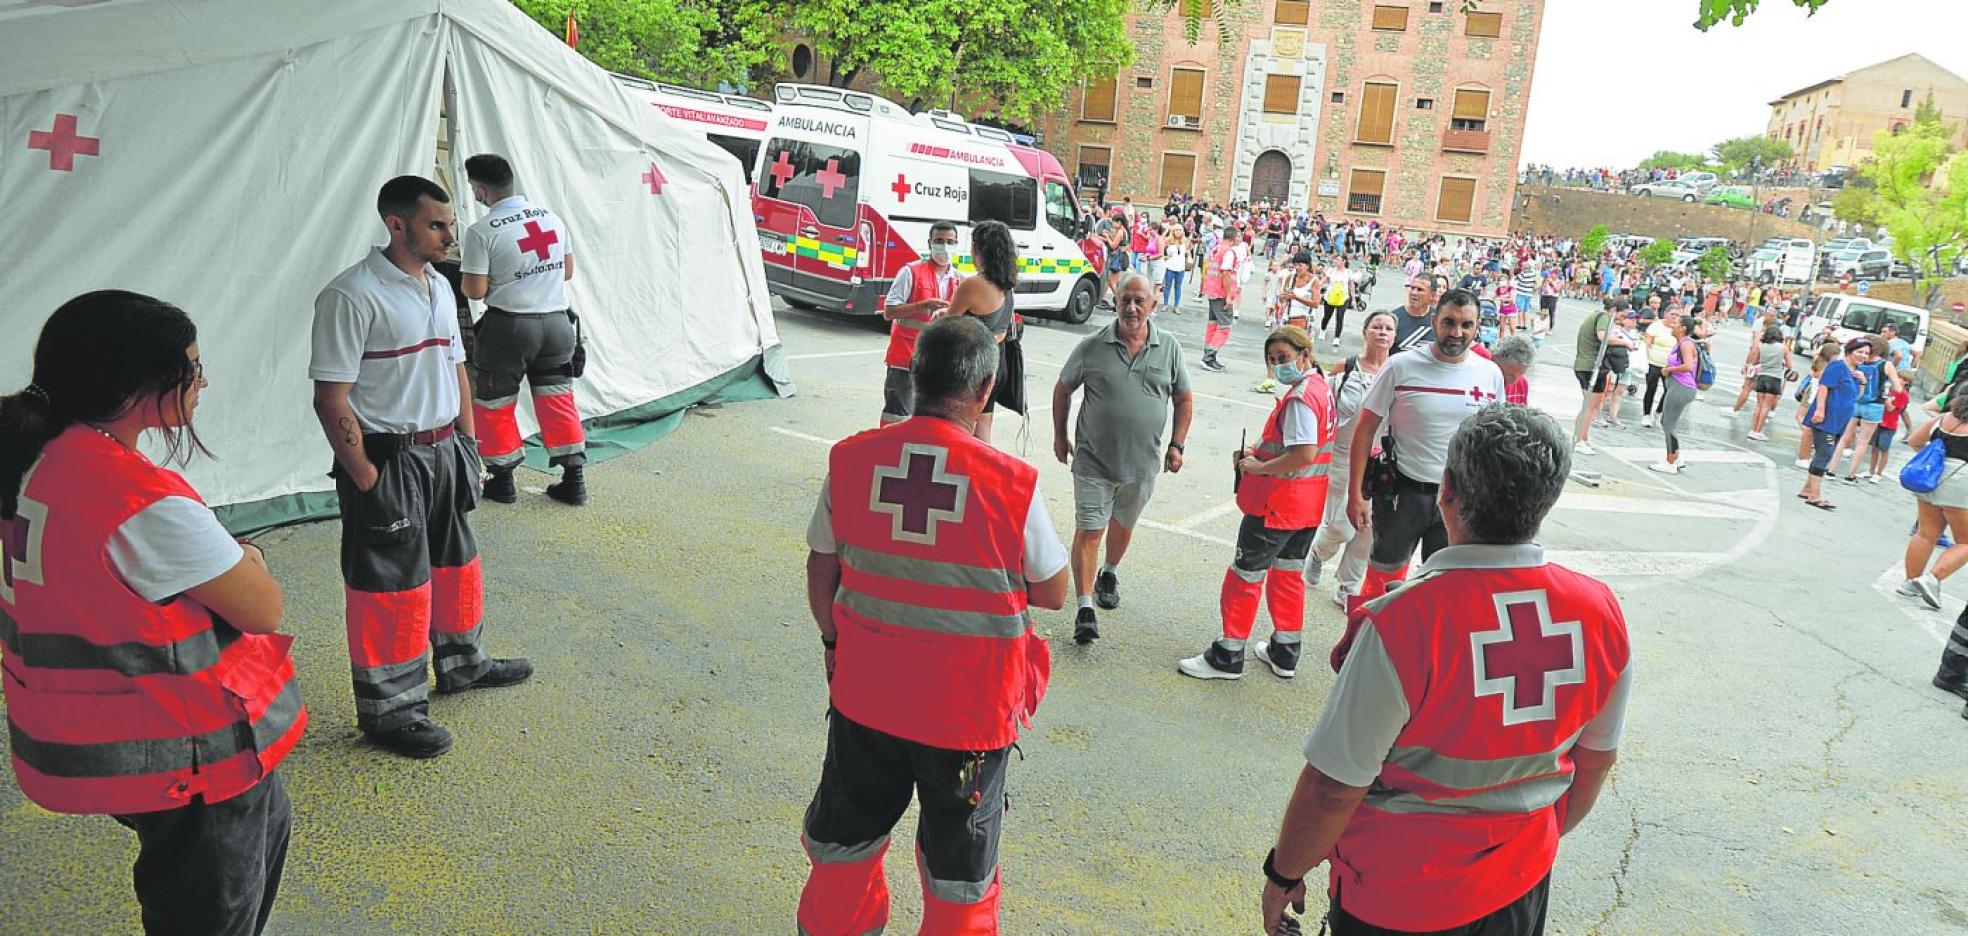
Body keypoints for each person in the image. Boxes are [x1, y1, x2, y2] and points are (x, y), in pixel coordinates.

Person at [1261, 405, 1630, 936]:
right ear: (1548, 498)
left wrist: (1283, 874)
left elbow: (1332, 790)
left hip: (1396, 897)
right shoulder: (1601, 611)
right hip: (1521, 884)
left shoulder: (1400, 624)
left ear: (1447, 489)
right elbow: (1594, 763)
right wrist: (1523, 851)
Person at [1, 291, 305, 934]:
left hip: (101, 735)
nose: (203, 382)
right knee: (211, 910)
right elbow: (263, 608)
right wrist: (244, 554)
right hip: (189, 753)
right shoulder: (137, 498)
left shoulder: (36, 456)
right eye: (192, 368)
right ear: (141, 386)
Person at [798, 316, 1069, 934]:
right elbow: (1053, 590)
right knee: (959, 875)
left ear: (915, 376)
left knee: (847, 845)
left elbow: (823, 570)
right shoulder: (1011, 483)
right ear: (985, 390)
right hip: (967, 717)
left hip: (865, 698)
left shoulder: (851, 459)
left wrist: (832, 641)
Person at [311, 176, 533, 759]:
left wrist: (468, 443)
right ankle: (392, 712)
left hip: (444, 452)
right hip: (390, 457)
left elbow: (459, 368)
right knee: (391, 587)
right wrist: (365, 476)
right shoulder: (351, 295)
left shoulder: (438, 285)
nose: (449, 234)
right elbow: (331, 398)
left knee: (456, 564)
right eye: (437, 225)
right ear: (396, 225)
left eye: (451, 223)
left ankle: (463, 663)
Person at [1179, 326, 1335, 680]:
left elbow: (1302, 453)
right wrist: (1260, 453)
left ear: (1304, 355)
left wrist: (1260, 465)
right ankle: (1285, 651)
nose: (1279, 366)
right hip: (1307, 505)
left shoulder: (1300, 399)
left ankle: (1229, 654)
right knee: (1288, 575)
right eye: (1273, 360)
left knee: (1245, 576)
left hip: (1276, 503)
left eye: (1283, 358)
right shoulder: (1320, 389)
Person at [1342, 291, 1506, 619]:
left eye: (1465, 325)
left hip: (1460, 502)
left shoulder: (1490, 374)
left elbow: (1494, 441)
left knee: (1443, 587)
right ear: (1434, 322)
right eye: (1448, 323)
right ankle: (1365, 645)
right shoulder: (1401, 366)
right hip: (1403, 495)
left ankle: (1419, 657)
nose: (1456, 333)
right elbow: (1364, 431)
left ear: (1477, 328)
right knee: (1382, 580)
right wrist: (1355, 494)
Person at [1053, 273, 1194, 644]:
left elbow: (1183, 399)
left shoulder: (1170, 348)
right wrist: (1059, 434)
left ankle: (1109, 572)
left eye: (1139, 301)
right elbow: (1063, 388)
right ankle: (1085, 608)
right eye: (1124, 301)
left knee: (1122, 526)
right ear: (1114, 303)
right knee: (1089, 529)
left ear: (1153, 305)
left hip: (1142, 464)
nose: (1131, 308)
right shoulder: (1092, 345)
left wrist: (1177, 444)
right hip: (1092, 460)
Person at [457, 154, 588, 505]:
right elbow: (567, 271)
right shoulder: (551, 219)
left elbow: (475, 290)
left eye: (474, 190)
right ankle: (574, 480)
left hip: (509, 328)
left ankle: (502, 483)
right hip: (558, 325)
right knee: (558, 400)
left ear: (481, 189)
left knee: (495, 403)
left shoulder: (481, 232)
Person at [1307, 311, 1396, 609]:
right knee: (1341, 526)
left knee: (1367, 529)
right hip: (1342, 457)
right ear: (1365, 331)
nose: (1382, 333)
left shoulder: (1398, 372)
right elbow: (1324, 409)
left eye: (1388, 328)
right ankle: (1319, 552)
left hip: (1379, 462)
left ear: (1394, 336)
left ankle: (1347, 586)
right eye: (1377, 327)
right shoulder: (1345, 368)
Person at [946, 220, 1022, 443]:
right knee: (983, 433)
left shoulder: (972, 285)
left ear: (978, 249)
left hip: (974, 366)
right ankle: (985, 475)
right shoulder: (1007, 284)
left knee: (962, 431)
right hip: (998, 365)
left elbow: (948, 327)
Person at [878, 221, 962, 424]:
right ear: (929, 243)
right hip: (905, 358)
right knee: (896, 416)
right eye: (939, 241)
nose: (944, 247)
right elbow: (888, 312)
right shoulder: (910, 272)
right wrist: (922, 306)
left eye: (950, 242)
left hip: (938, 363)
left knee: (928, 421)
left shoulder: (959, 280)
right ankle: (888, 454)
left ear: (957, 244)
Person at [1898, 391, 1968, 612]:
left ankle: (1910, 582)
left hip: (1930, 479)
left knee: (1926, 534)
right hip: (1960, 485)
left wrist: (1934, 458)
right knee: (1965, 542)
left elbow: (1915, 440)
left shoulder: (1943, 419)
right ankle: (1932, 578)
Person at [1797, 338, 1870, 511]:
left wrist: (1863, 382)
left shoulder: (1856, 372)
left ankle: (1807, 489)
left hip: (1841, 419)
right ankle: (1815, 494)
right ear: (1850, 351)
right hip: (1827, 417)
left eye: (1866, 353)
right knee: (1825, 453)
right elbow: (1824, 387)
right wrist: (1820, 409)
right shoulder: (1837, 366)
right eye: (1859, 352)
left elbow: (1857, 397)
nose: (1863, 356)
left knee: (1826, 453)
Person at [1827, 336, 1902, 484]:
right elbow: (1898, 388)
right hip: (1874, 405)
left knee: (1844, 437)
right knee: (1863, 442)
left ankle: (1831, 470)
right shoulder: (1886, 365)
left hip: (1855, 400)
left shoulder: (1858, 361)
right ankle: (1850, 475)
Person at [1570, 297, 1621, 455]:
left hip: (1588, 365)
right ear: (1614, 311)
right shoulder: (1603, 318)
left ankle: (1583, 437)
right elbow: (1602, 336)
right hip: (1590, 366)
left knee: (1592, 405)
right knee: (1590, 406)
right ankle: (1579, 439)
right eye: (1622, 315)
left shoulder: (1596, 315)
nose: (1621, 319)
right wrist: (1624, 342)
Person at [1652, 314, 1702, 475]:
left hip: (1681, 387)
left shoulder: (1686, 344)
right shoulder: (1682, 343)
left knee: (1669, 424)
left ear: (1683, 328)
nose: (1672, 324)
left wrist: (1669, 370)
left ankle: (1670, 461)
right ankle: (1676, 457)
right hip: (1678, 386)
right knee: (1667, 421)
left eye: (1676, 323)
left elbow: (1688, 366)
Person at [1199, 228, 1245, 372]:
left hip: (1211, 290)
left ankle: (1207, 354)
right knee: (1224, 327)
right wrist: (1229, 296)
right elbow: (1226, 273)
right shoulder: (1229, 252)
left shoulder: (1217, 247)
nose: (1240, 239)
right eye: (1239, 236)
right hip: (1220, 293)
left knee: (1213, 324)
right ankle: (1209, 358)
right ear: (1234, 237)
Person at [1746, 324, 1791, 442]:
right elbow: (1790, 366)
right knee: (1766, 407)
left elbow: (1755, 361)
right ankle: (1758, 432)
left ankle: (1752, 429)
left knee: (1759, 405)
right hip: (1774, 378)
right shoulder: (1783, 348)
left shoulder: (1762, 346)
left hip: (1762, 377)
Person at [1390, 273, 1445, 354]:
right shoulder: (1393, 319)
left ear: (1432, 295)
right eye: (1412, 288)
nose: (1414, 293)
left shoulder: (1440, 319)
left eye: (1420, 290)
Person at [1865, 384, 1909, 482]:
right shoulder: (1889, 390)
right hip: (1879, 421)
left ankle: (1879, 473)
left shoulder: (1903, 394)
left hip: (1889, 425)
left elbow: (1891, 408)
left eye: (1903, 379)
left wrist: (1886, 399)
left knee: (1884, 449)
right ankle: (1870, 471)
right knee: (1874, 448)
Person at [1162, 227, 1190, 312]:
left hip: (1180, 267)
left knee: (1178, 287)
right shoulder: (1169, 240)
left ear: (1182, 231)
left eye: (1179, 230)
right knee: (1167, 286)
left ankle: (1176, 306)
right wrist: (1165, 257)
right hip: (1170, 266)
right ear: (1173, 232)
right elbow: (1160, 249)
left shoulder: (1186, 241)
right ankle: (1165, 304)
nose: (1178, 232)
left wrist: (1188, 254)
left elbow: (1188, 253)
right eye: (1176, 230)